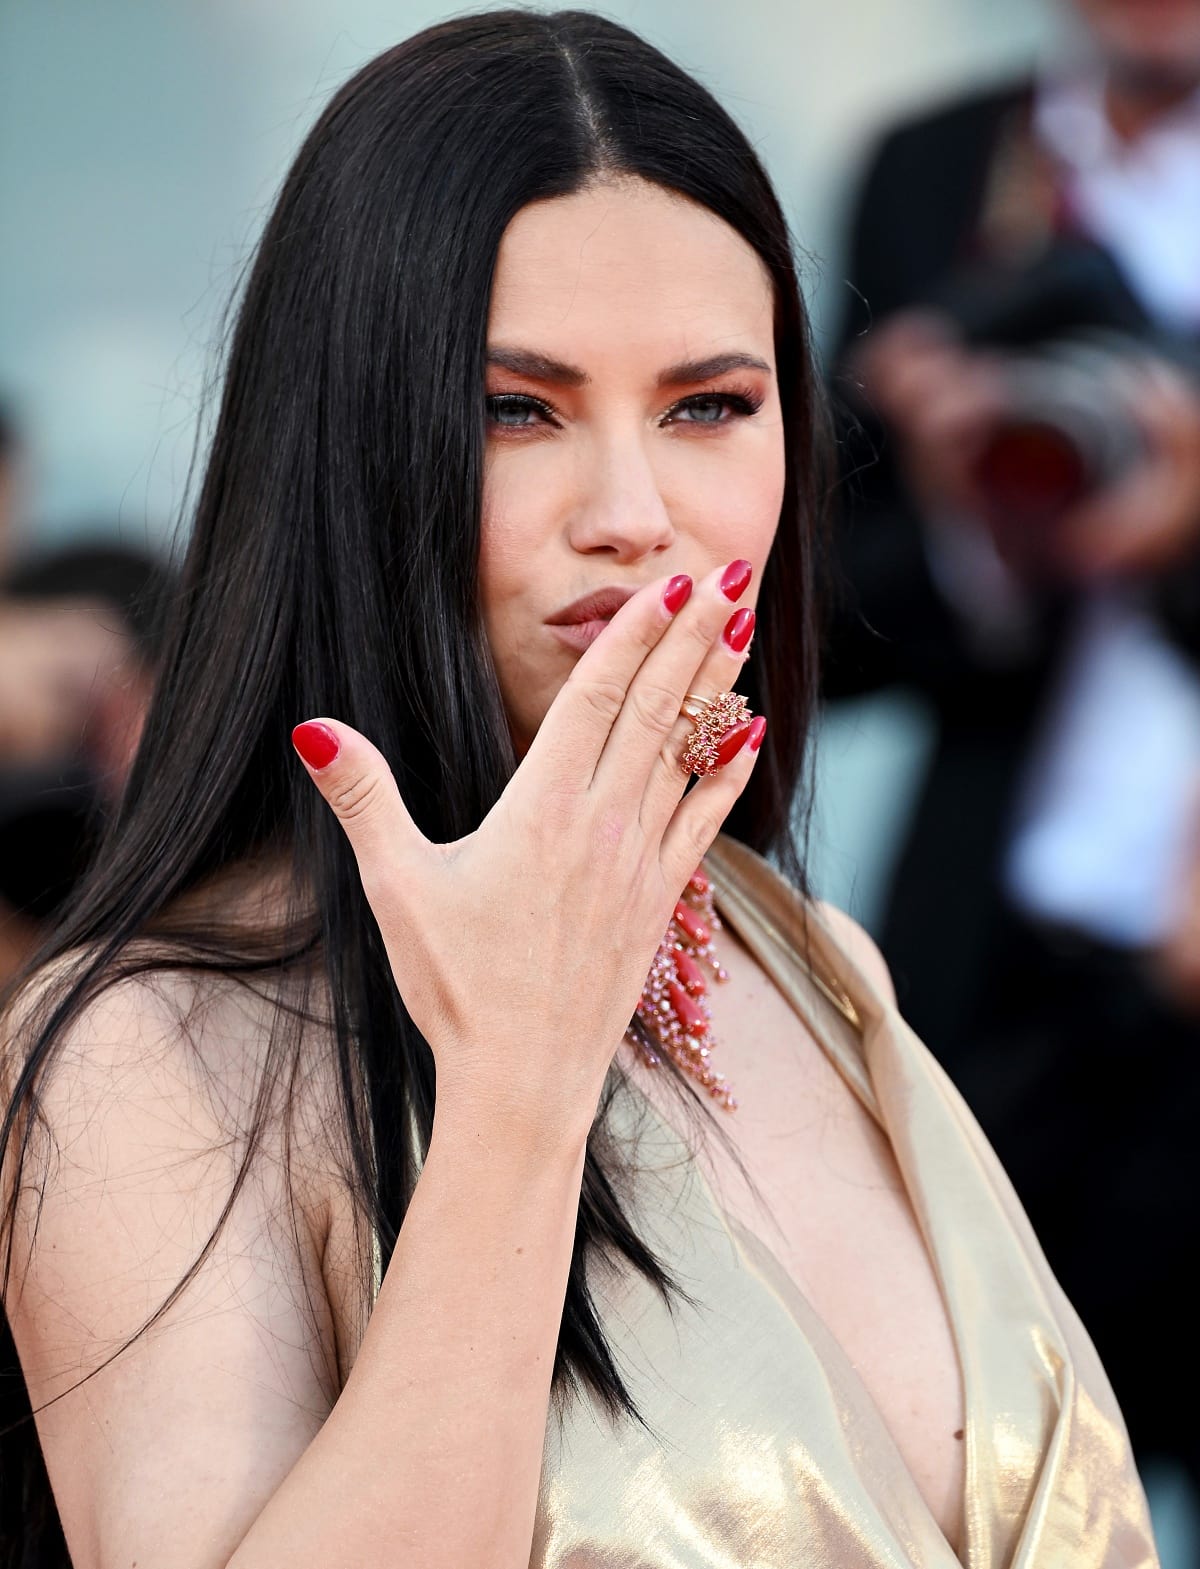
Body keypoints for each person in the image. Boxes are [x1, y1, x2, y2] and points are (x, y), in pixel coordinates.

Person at [0, 12, 1156, 1568]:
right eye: (515, 409)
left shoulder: (815, 961)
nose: (634, 513)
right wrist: (519, 1092)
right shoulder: (146, 1060)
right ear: (350, 445)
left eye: (709, 406)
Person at [824, 0, 1200, 1508]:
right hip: (1002, 976)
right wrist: (972, 528)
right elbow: (824, 615)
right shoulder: (936, 172)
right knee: (976, 1476)